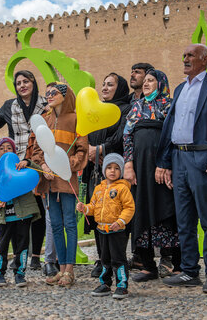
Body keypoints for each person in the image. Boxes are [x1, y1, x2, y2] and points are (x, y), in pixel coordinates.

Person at [155, 43, 207, 294]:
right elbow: (170, 129)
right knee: (184, 220)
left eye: (190, 55)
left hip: (203, 158)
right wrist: (166, 162)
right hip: (179, 159)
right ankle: (189, 271)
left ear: (204, 60)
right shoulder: (179, 89)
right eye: (184, 55)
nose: (185, 58)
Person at [124, 69, 181, 282]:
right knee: (142, 211)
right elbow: (127, 136)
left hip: (163, 168)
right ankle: (148, 266)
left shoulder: (170, 104)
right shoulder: (136, 106)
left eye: (151, 80)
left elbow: (174, 135)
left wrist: (167, 163)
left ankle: (178, 264)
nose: (146, 83)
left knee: (168, 211)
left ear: (161, 83)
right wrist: (128, 164)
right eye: (145, 80)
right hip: (140, 169)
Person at [30, 82, 88, 287]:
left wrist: (67, 165)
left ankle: (70, 270)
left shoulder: (75, 120)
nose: (49, 96)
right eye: (47, 93)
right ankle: (60, 269)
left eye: (53, 92)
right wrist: (44, 165)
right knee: (55, 225)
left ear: (65, 95)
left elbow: (82, 152)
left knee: (70, 224)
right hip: (48, 183)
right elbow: (36, 151)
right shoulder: (44, 120)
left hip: (67, 181)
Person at [0, 70, 50, 273]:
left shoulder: (45, 104)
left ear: (33, 82)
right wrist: (0, 148)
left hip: (38, 163)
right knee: (16, 213)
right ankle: (18, 255)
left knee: (37, 211)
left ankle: (35, 255)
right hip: (16, 167)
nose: (22, 86)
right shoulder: (10, 106)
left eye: (25, 81)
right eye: (18, 83)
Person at [82, 72, 131, 277]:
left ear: (119, 88)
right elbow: (88, 133)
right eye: (103, 84)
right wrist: (90, 152)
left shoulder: (125, 110)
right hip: (95, 171)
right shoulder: (98, 111)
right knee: (97, 214)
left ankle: (116, 260)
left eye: (110, 85)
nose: (104, 88)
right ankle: (101, 260)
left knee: (115, 214)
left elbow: (120, 136)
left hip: (114, 170)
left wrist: (100, 150)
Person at [77, 153, 135, 300]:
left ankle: (122, 285)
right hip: (102, 230)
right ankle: (105, 283)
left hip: (117, 230)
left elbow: (129, 208)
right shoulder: (98, 189)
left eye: (116, 168)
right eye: (109, 167)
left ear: (121, 171)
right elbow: (93, 207)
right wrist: (85, 208)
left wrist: (121, 221)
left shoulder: (123, 189)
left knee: (118, 258)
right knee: (104, 258)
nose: (112, 171)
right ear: (104, 170)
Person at [0, 137, 40, 287]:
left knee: (22, 244)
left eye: (8, 147)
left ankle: (20, 273)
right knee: (2, 245)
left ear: (15, 152)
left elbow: (38, 172)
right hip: (6, 216)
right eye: (1, 148)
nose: (5, 150)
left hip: (24, 215)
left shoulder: (23, 169)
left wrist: (28, 163)